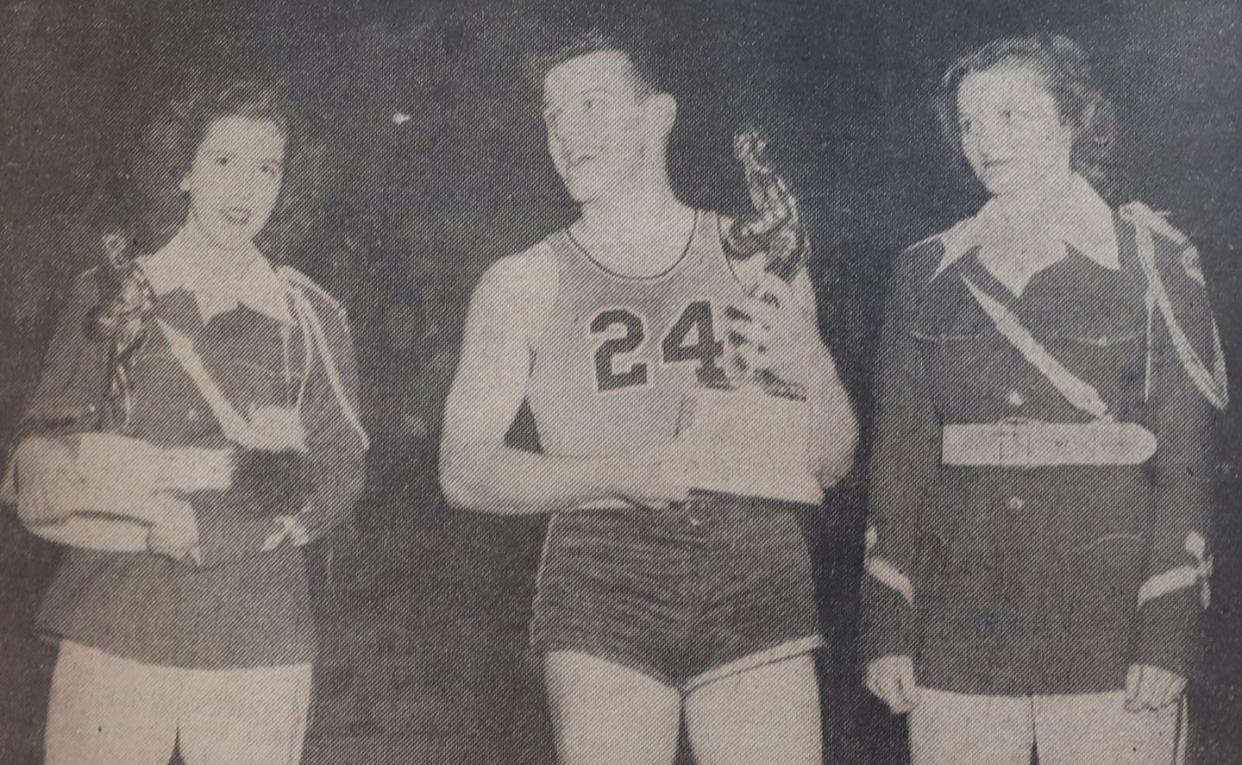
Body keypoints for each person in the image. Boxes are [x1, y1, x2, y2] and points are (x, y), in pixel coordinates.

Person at [438, 21, 858, 765]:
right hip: (603, 571)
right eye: (553, 118)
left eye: (592, 106)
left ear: (657, 115)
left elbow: (830, 461)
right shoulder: (522, 280)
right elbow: (463, 469)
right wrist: (614, 472)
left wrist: (817, 369)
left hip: (753, 561)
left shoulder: (755, 253)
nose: (568, 134)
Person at [861, 34, 1227, 764]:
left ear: (1070, 120)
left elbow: (1187, 457)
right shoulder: (926, 274)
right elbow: (899, 459)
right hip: (957, 635)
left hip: (1110, 633)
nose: (984, 141)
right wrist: (887, 622)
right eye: (969, 123)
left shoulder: (1150, 261)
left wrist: (1169, 623)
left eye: (1010, 116)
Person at [2, 79, 369, 764]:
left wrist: (214, 531)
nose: (244, 189)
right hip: (113, 620)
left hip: (254, 638)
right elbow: (36, 450)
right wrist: (72, 470)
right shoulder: (110, 296)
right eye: (223, 161)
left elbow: (340, 472)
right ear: (182, 169)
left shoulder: (311, 318)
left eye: (267, 168)